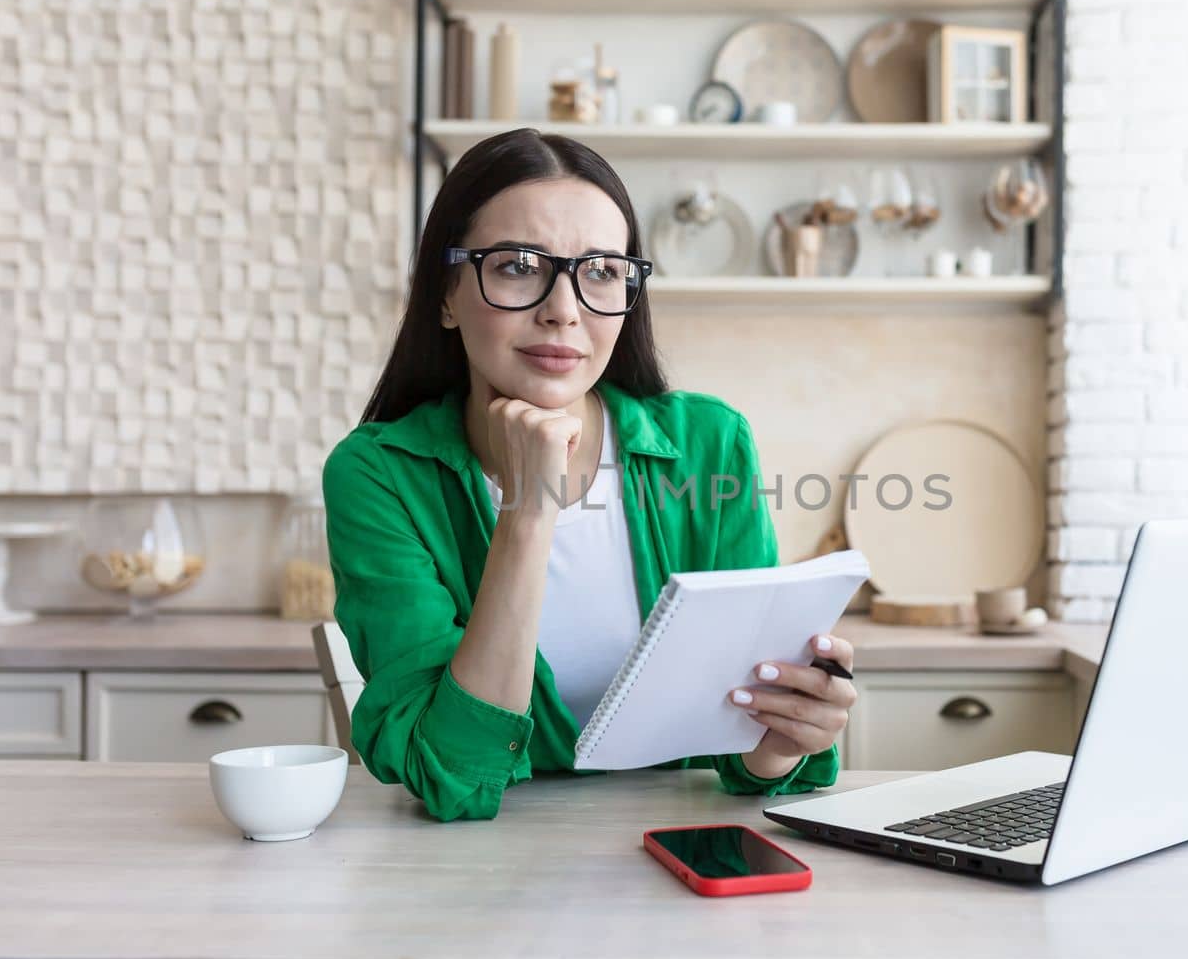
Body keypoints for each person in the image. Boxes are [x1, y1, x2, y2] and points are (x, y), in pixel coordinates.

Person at [323, 128, 858, 821]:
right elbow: (451, 773)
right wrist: (527, 509)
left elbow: (742, 749)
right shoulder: (378, 474)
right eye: (518, 265)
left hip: (676, 859)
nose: (564, 309)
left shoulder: (710, 443)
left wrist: (783, 737)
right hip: (472, 888)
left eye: (602, 270)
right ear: (447, 294)